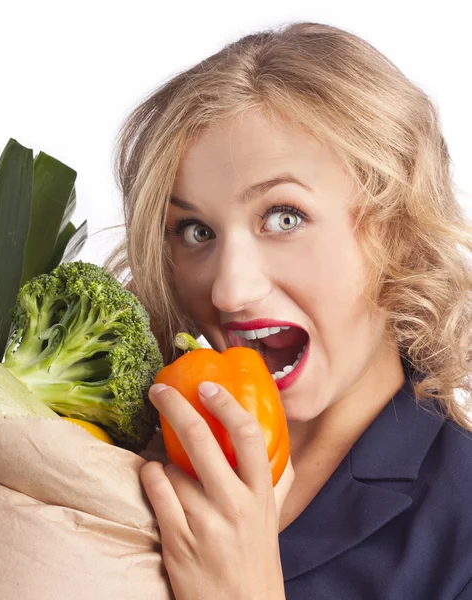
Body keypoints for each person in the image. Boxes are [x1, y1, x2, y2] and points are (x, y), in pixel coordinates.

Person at [105, 21, 472, 599]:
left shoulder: (460, 528)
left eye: (284, 217)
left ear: (397, 230)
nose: (228, 291)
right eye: (195, 230)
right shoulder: (117, 444)